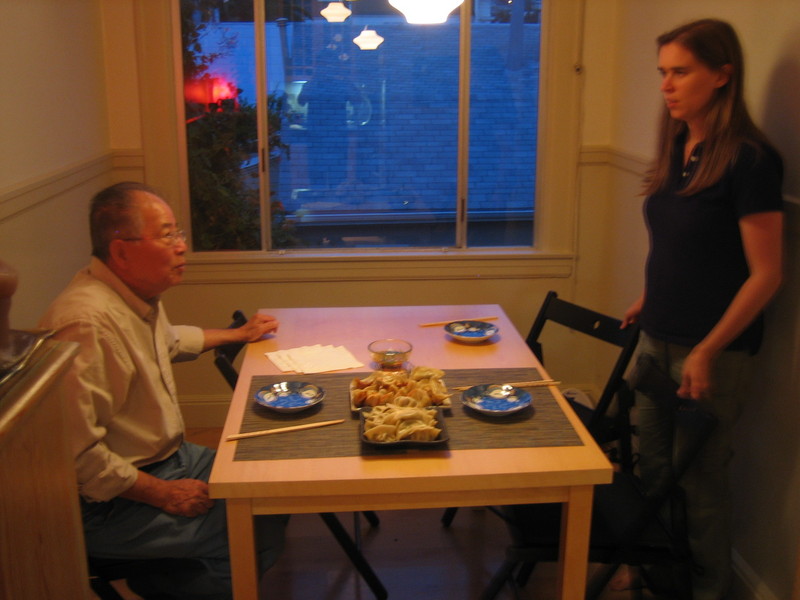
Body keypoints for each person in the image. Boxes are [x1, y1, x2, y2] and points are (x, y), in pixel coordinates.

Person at [39, 181, 286, 600]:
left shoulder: (134, 294)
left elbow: (169, 341)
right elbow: (77, 455)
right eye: (167, 235)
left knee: (270, 485)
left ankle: (163, 578)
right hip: (112, 499)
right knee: (251, 520)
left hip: (170, 458)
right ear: (121, 251)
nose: (181, 246)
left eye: (179, 233)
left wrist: (236, 334)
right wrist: (163, 493)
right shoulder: (85, 323)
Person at [621, 19, 784, 600]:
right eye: (663, 72)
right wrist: (649, 297)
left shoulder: (750, 161)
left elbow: (767, 275)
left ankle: (708, 591)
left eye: (681, 72)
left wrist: (709, 349)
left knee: (702, 484)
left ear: (721, 75)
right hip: (657, 336)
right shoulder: (676, 145)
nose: (667, 85)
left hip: (712, 353)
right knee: (653, 470)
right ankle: (658, 576)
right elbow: (678, 243)